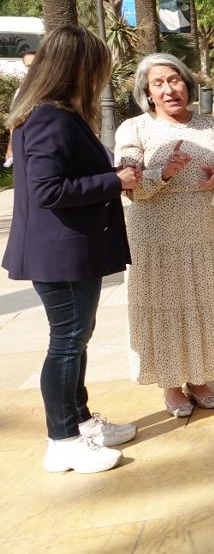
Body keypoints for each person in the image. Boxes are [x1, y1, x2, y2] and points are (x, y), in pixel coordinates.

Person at [2, 26, 136, 473]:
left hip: (71, 251)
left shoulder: (57, 114)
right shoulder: (49, 117)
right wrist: (114, 180)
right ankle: (61, 439)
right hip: (59, 253)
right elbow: (47, 190)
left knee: (76, 339)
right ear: (77, 68)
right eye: (98, 67)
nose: (102, 77)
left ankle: (80, 422)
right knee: (66, 342)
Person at [113, 53, 214, 417]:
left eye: (175, 80)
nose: (170, 89)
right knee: (166, 304)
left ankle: (199, 377)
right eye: (159, 84)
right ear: (148, 93)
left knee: (203, 298)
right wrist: (163, 172)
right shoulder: (133, 129)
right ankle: (171, 384)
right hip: (156, 234)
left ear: (188, 84)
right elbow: (129, 186)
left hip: (205, 228)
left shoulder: (210, 125)